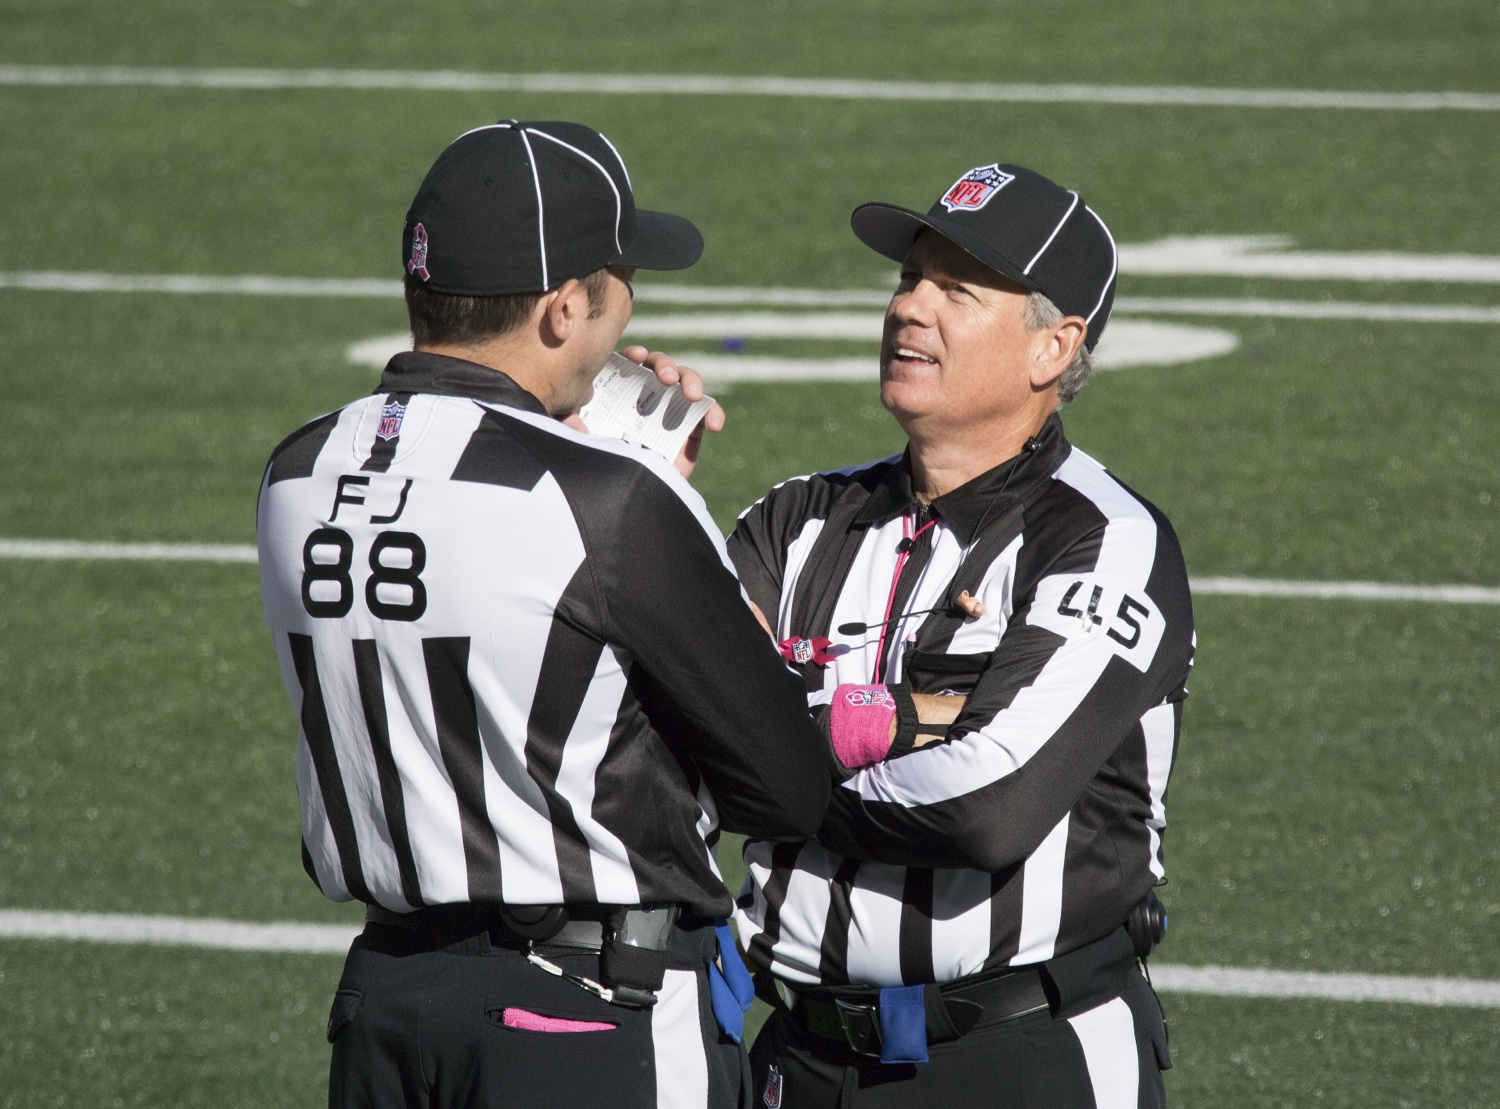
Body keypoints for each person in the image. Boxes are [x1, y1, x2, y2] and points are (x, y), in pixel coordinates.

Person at [256, 119, 834, 1109]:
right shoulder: (612, 498)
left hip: (388, 1003)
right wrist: (648, 481)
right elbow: (786, 787)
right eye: (620, 284)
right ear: (565, 307)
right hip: (587, 1019)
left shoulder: (296, 470)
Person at [728, 164, 1195, 1108]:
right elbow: (669, 732)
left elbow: (993, 806)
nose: (910, 309)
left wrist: (778, 762)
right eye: (909, 280)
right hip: (800, 1054)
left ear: (1052, 350)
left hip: (1019, 1054)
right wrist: (903, 720)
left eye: (957, 290)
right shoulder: (795, 519)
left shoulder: (1106, 540)